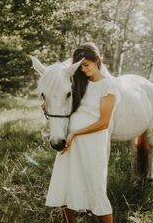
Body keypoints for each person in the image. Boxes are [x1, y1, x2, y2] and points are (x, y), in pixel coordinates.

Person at [43, 42, 121, 223]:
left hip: (91, 143)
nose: (83, 70)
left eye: (86, 65)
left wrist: (75, 133)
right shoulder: (79, 84)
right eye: (80, 66)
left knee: (96, 188)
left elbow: (103, 123)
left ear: (97, 61)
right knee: (65, 185)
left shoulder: (108, 85)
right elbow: (60, 97)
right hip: (70, 143)